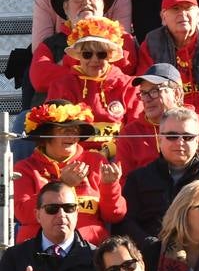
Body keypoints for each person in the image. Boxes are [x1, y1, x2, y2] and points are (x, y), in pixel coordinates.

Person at [14, 102, 125, 247]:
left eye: (75, 130)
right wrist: (62, 184)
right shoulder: (25, 168)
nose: (71, 135)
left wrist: (110, 186)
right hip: (39, 253)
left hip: (89, 253)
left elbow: (114, 215)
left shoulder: (96, 161)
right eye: (63, 130)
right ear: (46, 134)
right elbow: (23, 214)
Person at [120, 108, 199, 243]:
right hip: (151, 255)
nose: (180, 142)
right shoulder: (138, 178)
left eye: (187, 137)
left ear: (197, 141)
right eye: (172, 136)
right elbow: (126, 223)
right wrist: (151, 245)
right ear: (159, 139)